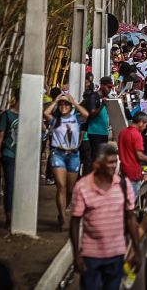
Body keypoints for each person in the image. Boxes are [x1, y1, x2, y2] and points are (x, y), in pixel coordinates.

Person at [70, 143, 141, 290]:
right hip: (91, 254)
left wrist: (136, 249)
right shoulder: (82, 186)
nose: (113, 166)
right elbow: (75, 222)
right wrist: (76, 255)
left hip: (116, 253)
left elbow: (130, 218)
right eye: (109, 162)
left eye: (115, 162)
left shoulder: (123, 184)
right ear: (97, 164)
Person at [43, 93, 89, 231]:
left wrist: (74, 102)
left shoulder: (76, 119)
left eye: (66, 104)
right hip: (58, 154)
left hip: (73, 155)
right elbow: (46, 113)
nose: (63, 107)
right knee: (61, 186)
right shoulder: (55, 120)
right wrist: (56, 100)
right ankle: (63, 217)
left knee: (70, 189)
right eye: (61, 105)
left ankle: (63, 209)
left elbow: (86, 114)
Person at [118, 111, 147, 199]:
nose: (146, 127)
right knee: (132, 201)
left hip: (123, 170)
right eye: (146, 124)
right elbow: (140, 156)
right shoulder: (137, 135)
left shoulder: (123, 132)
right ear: (141, 122)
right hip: (133, 172)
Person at [0, 96, 18, 228]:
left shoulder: (31, 114)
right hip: (9, 154)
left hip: (23, 156)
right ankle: (9, 216)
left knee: (19, 186)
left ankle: (17, 214)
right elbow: (0, 136)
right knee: (10, 184)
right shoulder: (6, 115)